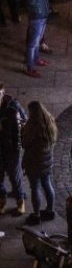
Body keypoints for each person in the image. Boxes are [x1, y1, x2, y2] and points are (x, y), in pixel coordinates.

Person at [21, 100, 57, 225]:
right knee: (47, 184)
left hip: (34, 163)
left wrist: (23, 129)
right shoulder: (49, 122)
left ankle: (36, 215)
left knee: (35, 188)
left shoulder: (32, 127)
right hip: (46, 161)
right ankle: (50, 210)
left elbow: (25, 144)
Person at [21, 0, 52, 78]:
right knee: (32, 43)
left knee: (38, 40)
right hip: (36, 16)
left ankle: (36, 58)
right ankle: (30, 67)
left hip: (43, 13)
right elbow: (30, 2)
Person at [0, 84, 27, 215]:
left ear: (3, 92)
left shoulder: (13, 106)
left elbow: (24, 120)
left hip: (12, 148)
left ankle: (20, 201)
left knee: (14, 176)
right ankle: (2, 201)